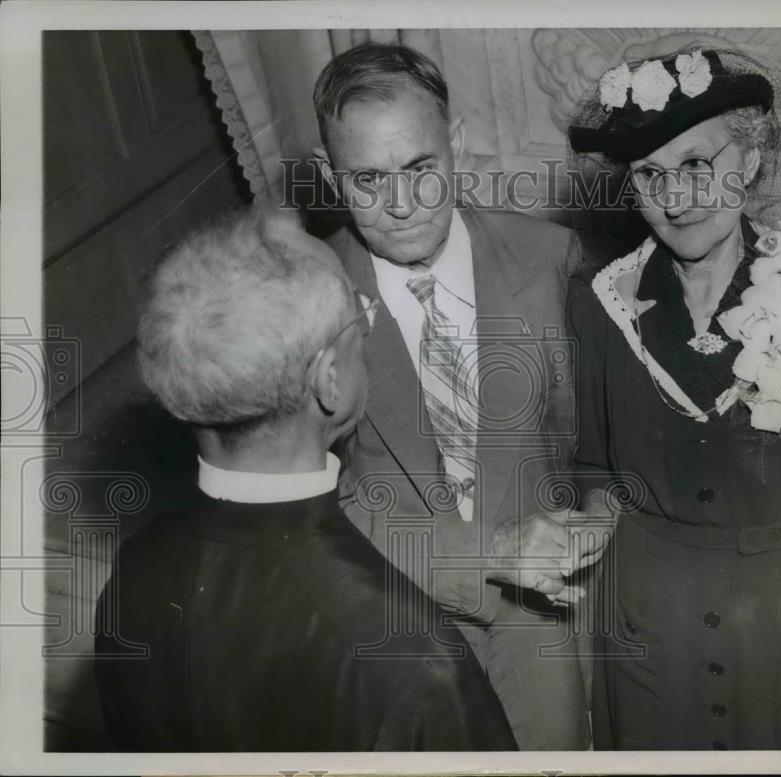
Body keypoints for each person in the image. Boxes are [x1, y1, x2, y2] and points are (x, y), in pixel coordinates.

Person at [565, 46, 781, 750]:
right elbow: (597, 477)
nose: (677, 197)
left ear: (750, 159)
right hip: (652, 637)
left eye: (698, 165)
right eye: (650, 175)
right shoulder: (601, 303)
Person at [93, 208, 517, 751]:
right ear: (330, 381)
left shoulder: (131, 571)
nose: (367, 321)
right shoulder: (414, 659)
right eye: (359, 309)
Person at [311, 42, 605, 750]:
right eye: (369, 181)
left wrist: (596, 522)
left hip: (542, 632)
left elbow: (597, 452)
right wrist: (490, 554)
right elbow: (312, 504)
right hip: (389, 628)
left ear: (459, 146)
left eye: (420, 169)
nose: (403, 204)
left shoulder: (550, 260)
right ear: (328, 177)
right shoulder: (304, 293)